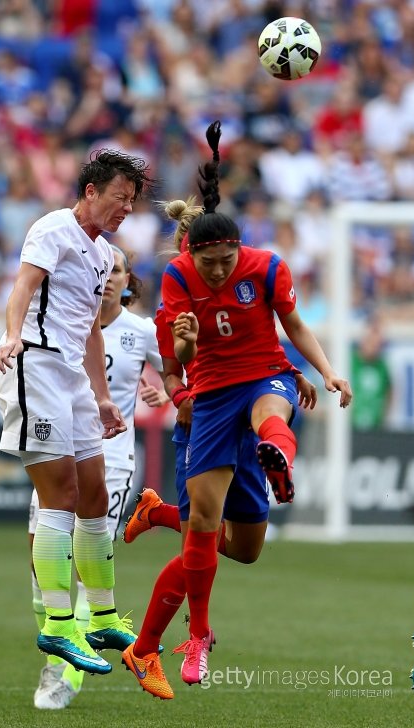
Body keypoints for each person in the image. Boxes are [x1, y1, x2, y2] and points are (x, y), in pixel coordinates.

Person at [121, 121, 352, 696]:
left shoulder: (267, 267)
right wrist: (186, 350)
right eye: (210, 263)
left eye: (227, 261)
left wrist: (326, 371)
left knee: (272, 414)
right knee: (207, 529)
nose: (219, 272)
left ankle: (270, 455)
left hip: (264, 376)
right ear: (191, 253)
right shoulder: (176, 280)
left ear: (238, 249)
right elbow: (174, 362)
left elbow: (294, 324)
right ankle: (190, 636)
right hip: (210, 401)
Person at [0, 150, 153, 684]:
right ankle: (60, 623)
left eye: (131, 200)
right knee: (58, 493)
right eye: (119, 197)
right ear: (90, 192)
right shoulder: (53, 229)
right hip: (34, 364)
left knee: (94, 493)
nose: (126, 207)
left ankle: (102, 615)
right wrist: (13, 334)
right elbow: (23, 286)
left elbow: (89, 330)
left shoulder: (104, 255)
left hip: (76, 382)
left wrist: (104, 398)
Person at [29, 244, 169, 709]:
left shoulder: (141, 331)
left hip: (111, 459)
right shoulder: (68, 322)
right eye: (103, 270)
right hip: (60, 453)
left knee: (87, 562)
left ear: (129, 282)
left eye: (117, 272)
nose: (108, 278)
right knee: (41, 562)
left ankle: (64, 676)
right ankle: (59, 643)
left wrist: (163, 392)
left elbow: (180, 374)